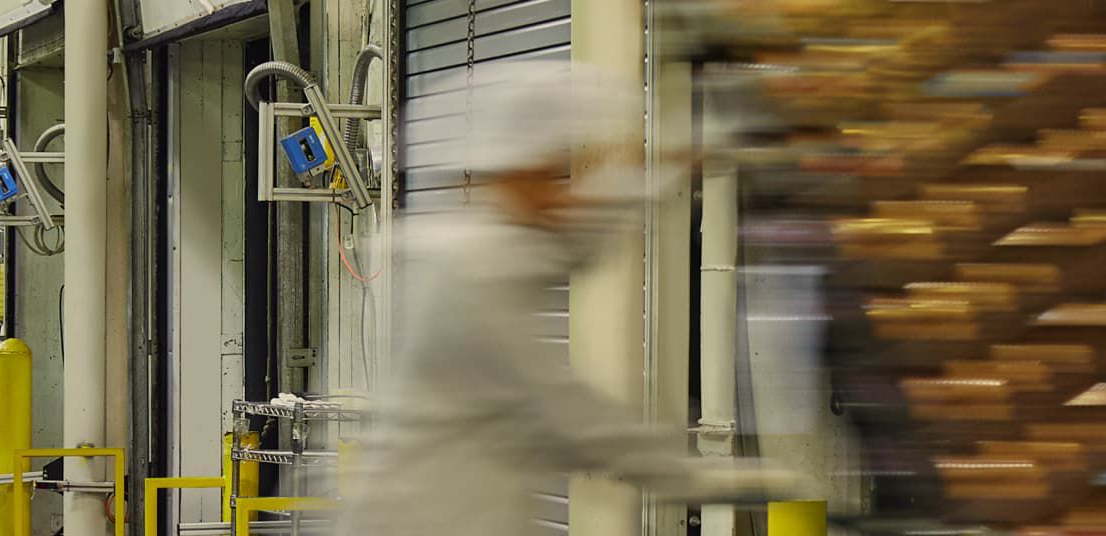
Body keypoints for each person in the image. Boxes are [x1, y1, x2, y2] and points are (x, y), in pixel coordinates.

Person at [338, 61, 797, 536]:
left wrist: (670, 165)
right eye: (551, 173)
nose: (566, 192)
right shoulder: (464, 277)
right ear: (508, 173)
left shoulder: (491, 241)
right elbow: (568, 418)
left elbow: (571, 236)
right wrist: (709, 479)